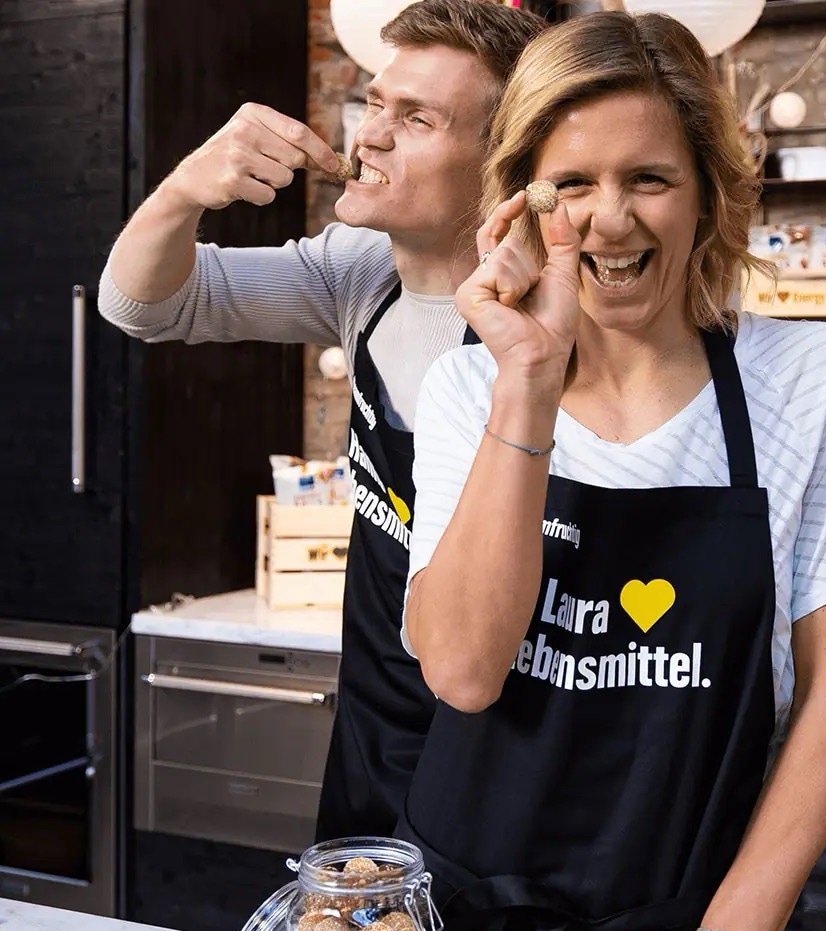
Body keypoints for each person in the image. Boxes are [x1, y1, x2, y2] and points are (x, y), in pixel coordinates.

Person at [400, 10, 826, 931]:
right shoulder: (473, 384)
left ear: (709, 192)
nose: (611, 222)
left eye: (650, 179)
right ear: (522, 206)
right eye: (572, 187)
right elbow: (461, 669)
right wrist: (529, 387)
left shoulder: (811, 381)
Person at [98, 0, 545, 841]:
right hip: (374, 743)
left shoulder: (548, 334)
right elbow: (142, 306)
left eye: (415, 118)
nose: (370, 135)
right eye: (375, 104)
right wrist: (184, 188)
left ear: (503, 163)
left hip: (516, 760)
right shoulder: (361, 275)